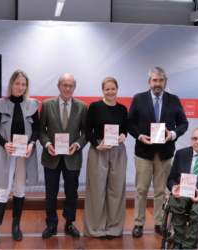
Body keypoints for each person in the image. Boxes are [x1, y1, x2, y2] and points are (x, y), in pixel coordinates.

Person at [128, 67, 188, 237]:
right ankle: (138, 223)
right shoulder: (139, 98)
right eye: (155, 80)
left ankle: (159, 223)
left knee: (161, 190)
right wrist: (140, 136)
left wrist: (173, 134)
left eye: (161, 80)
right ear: (149, 82)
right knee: (141, 190)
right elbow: (130, 122)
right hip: (143, 152)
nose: (158, 84)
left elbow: (183, 123)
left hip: (165, 153)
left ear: (165, 82)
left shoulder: (174, 100)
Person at [0, 70, 40, 248]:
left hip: (25, 153)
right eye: (17, 83)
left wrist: (32, 143)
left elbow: (37, 130)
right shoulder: (0, 104)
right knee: (3, 190)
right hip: (7, 153)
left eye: (23, 84)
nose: (20, 87)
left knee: (19, 189)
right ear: (11, 84)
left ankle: (15, 226)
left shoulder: (32, 104)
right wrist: (5, 144)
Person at [39, 73, 87, 239]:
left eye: (71, 85)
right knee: (50, 193)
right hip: (51, 156)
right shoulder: (46, 105)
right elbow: (41, 131)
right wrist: (47, 144)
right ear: (58, 86)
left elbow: (85, 132)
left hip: (72, 157)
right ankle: (51, 224)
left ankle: (69, 223)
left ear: (75, 87)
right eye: (65, 85)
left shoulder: (82, 106)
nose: (68, 88)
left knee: (71, 193)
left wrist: (77, 144)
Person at [83, 77, 128, 240]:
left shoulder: (123, 109)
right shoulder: (95, 106)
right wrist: (97, 145)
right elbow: (87, 130)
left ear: (117, 89)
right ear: (102, 90)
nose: (110, 92)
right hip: (99, 150)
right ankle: (96, 228)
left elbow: (125, 130)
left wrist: (124, 136)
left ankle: (113, 228)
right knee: (97, 190)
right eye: (107, 89)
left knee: (116, 190)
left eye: (113, 89)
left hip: (117, 151)